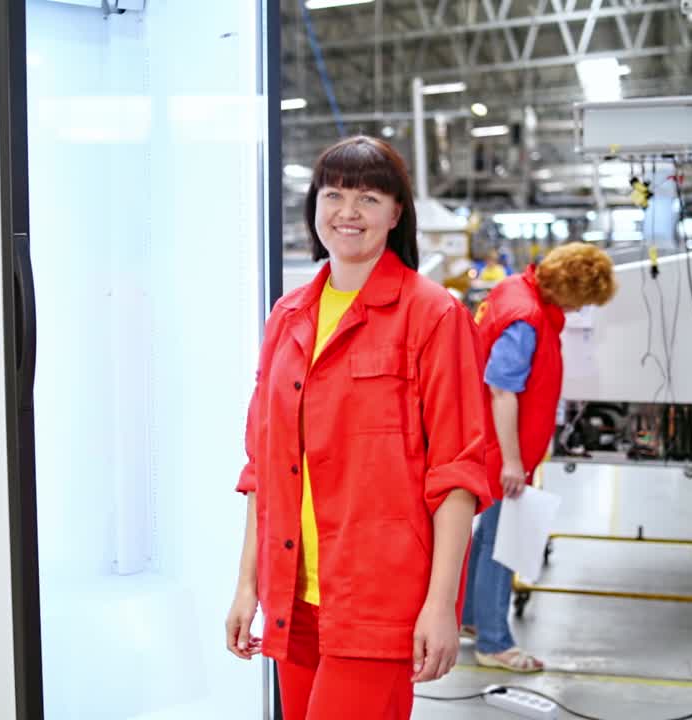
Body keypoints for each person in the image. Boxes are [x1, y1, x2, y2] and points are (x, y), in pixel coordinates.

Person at [225, 136, 492, 720]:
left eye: (369, 197)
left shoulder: (432, 315)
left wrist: (441, 604)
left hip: (379, 601)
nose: (348, 212)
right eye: (334, 194)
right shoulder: (287, 317)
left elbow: (458, 472)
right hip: (294, 596)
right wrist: (248, 586)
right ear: (314, 206)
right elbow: (263, 468)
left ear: (396, 214)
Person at [461, 242, 616, 672]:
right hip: (499, 445)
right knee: (500, 542)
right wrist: (512, 461)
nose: (581, 308)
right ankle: (494, 642)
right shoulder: (527, 320)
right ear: (568, 287)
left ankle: (472, 618)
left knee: (485, 536)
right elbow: (502, 389)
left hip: (486, 437)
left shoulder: (514, 289)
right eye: (582, 299)